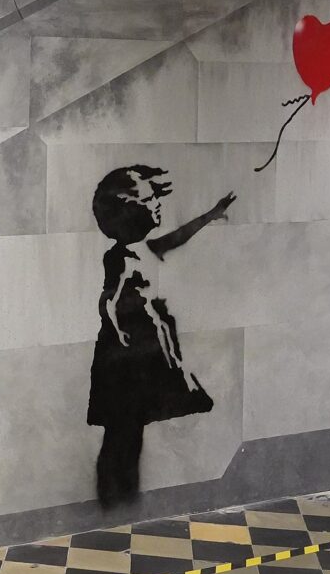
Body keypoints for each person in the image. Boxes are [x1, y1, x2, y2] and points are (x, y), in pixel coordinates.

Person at [89, 165, 235, 507]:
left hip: (143, 348)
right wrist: (118, 329)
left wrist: (211, 215)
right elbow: (108, 299)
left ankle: (122, 493)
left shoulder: (144, 249)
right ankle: (115, 497)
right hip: (127, 354)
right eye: (149, 198)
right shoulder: (121, 257)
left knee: (130, 429)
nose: (157, 204)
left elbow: (178, 237)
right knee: (122, 431)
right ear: (128, 210)